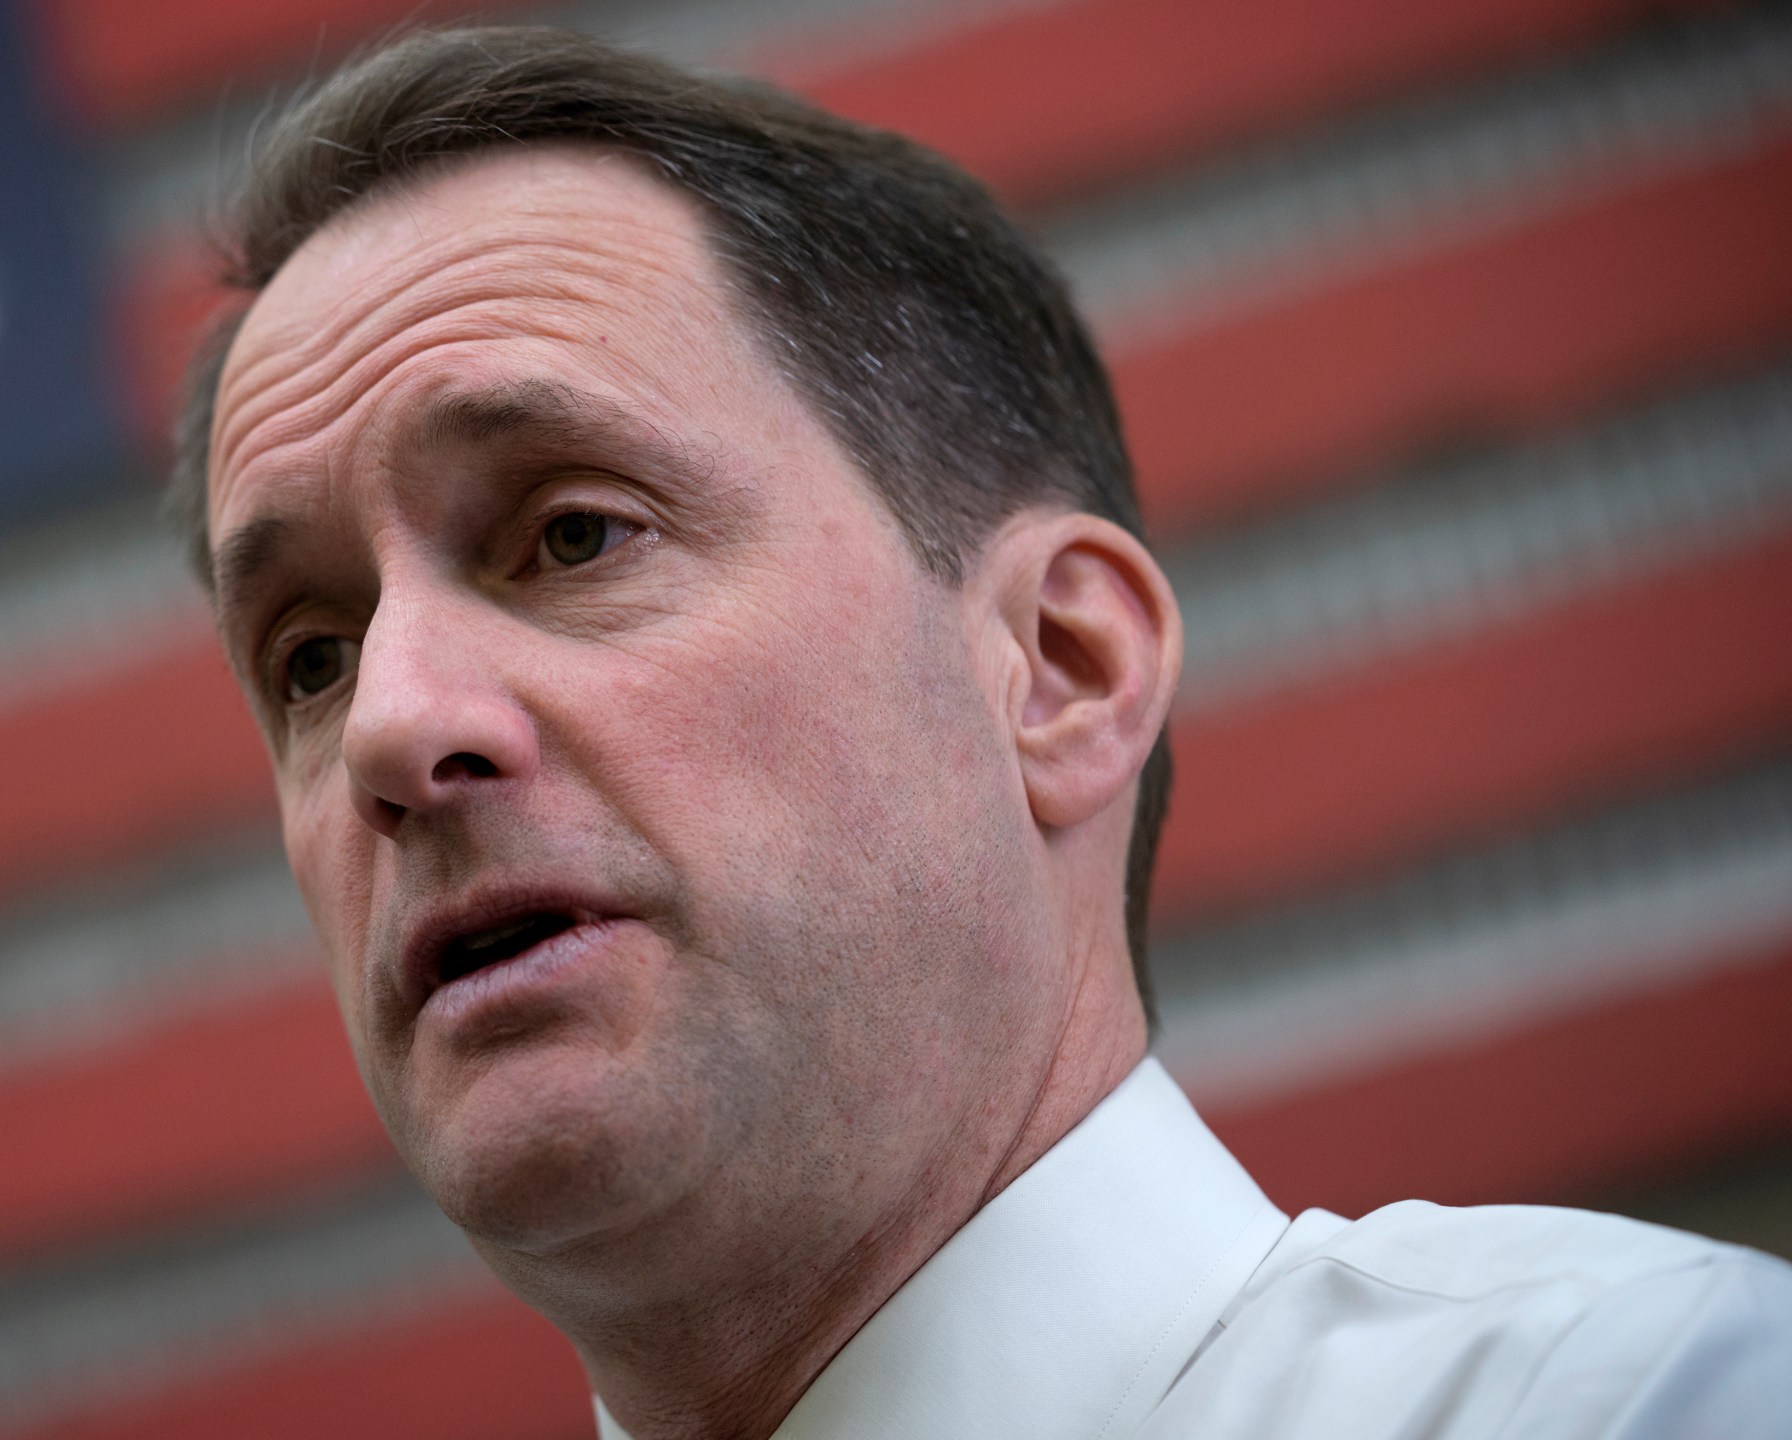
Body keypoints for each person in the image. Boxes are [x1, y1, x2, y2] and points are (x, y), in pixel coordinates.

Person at [171, 26, 1792, 1440]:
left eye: (575, 534)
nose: (390, 722)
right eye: (310, 658)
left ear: (1060, 671)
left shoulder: (1653, 1403)